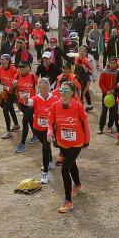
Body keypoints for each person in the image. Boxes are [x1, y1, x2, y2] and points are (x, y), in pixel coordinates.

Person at [47, 81, 90, 214]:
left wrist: (86, 141)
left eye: (66, 90)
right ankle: (77, 185)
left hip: (76, 142)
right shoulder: (55, 105)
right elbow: (50, 122)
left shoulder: (78, 107)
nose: (62, 93)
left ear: (72, 93)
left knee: (65, 169)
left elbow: (85, 123)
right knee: (71, 165)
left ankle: (68, 201)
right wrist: (50, 133)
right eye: (61, 90)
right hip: (62, 142)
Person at [28, 78, 56, 185]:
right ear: (38, 88)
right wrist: (25, 100)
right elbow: (29, 102)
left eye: (45, 88)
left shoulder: (54, 99)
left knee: (45, 147)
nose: (43, 90)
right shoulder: (35, 98)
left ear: (49, 88)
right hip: (38, 129)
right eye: (41, 88)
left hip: (49, 129)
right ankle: (49, 161)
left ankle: (45, 173)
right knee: (46, 145)